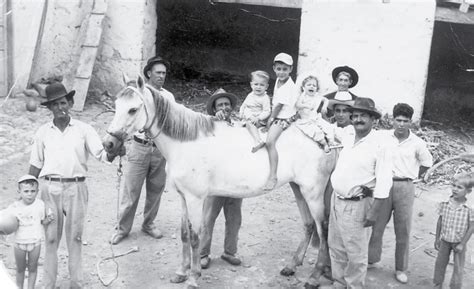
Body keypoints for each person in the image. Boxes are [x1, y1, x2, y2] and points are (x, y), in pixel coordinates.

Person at [28, 82, 123, 289]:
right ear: (50, 109)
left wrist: (116, 150)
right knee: (51, 239)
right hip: (49, 189)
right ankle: (48, 284)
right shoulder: (43, 132)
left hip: (76, 189)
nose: (59, 108)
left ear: (69, 103)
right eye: (54, 105)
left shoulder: (84, 129)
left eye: (62, 102)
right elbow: (35, 164)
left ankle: (76, 284)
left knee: (75, 239)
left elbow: (102, 155)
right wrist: (27, 191)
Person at [328, 97, 393, 289]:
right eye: (355, 116)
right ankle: (339, 284)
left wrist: (374, 212)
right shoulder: (348, 137)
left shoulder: (380, 145)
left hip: (357, 204)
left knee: (355, 253)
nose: (358, 119)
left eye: (363, 116)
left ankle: (354, 286)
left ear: (373, 119)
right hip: (336, 200)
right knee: (336, 247)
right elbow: (326, 127)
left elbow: (384, 182)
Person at [110, 56, 176, 245]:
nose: (162, 76)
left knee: (156, 188)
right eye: (158, 73)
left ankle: (149, 224)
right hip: (139, 146)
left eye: (164, 73)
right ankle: (122, 228)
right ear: (148, 74)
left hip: (159, 149)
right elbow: (125, 118)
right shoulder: (136, 94)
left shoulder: (168, 97)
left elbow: (171, 123)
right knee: (131, 190)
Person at [368, 103, 433, 283]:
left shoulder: (418, 143)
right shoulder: (382, 138)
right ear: (392, 120)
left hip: (405, 186)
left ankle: (400, 268)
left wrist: (413, 177)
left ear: (410, 122)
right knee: (377, 225)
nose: (401, 124)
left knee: (403, 229)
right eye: (398, 120)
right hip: (383, 185)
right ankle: (371, 259)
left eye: (405, 121)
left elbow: (427, 162)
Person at [199, 89, 243, 269]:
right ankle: (202, 253)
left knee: (234, 217)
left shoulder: (239, 124)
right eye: (220, 105)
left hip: (235, 179)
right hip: (215, 181)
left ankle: (229, 252)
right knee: (208, 216)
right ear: (214, 109)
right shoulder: (209, 125)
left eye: (227, 104)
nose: (224, 108)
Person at [7, 175, 53, 289]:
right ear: (19, 191)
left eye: (33, 191)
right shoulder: (14, 207)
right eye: (26, 191)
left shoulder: (40, 205)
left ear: (37, 191)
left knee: (33, 268)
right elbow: (8, 223)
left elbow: (42, 222)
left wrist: (49, 219)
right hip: (19, 243)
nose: (29, 194)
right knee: (20, 269)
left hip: (35, 242)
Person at [260, 52, 297, 190]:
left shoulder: (288, 86)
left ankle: (273, 175)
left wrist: (271, 119)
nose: (281, 72)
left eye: (285, 69)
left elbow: (279, 106)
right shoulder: (279, 80)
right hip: (276, 111)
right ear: (274, 68)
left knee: (270, 141)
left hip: (283, 117)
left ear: (291, 70)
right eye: (279, 69)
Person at [433, 173, 474, 289]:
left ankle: (455, 286)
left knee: (458, 267)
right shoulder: (444, 204)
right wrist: (437, 238)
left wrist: (462, 244)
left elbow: (472, 227)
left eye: (459, 187)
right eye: (453, 185)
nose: (455, 189)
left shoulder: (469, 208)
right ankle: (437, 283)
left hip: (459, 242)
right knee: (440, 263)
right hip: (445, 240)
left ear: (468, 191)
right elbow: (440, 221)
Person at [294, 72, 336, 153]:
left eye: (314, 85)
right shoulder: (303, 96)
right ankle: (324, 144)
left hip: (316, 118)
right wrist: (306, 106)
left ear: (316, 88)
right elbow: (298, 104)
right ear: (303, 87)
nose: (311, 87)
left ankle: (331, 141)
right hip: (306, 120)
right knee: (316, 132)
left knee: (328, 127)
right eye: (309, 85)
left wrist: (324, 107)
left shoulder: (316, 96)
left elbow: (325, 100)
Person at [239, 70, 271, 153]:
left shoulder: (265, 98)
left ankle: (258, 141)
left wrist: (258, 118)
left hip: (258, 119)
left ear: (266, 87)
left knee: (249, 124)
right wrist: (241, 112)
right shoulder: (250, 95)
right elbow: (244, 104)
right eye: (256, 84)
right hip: (250, 116)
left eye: (262, 85)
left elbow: (267, 111)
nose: (258, 87)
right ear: (251, 85)